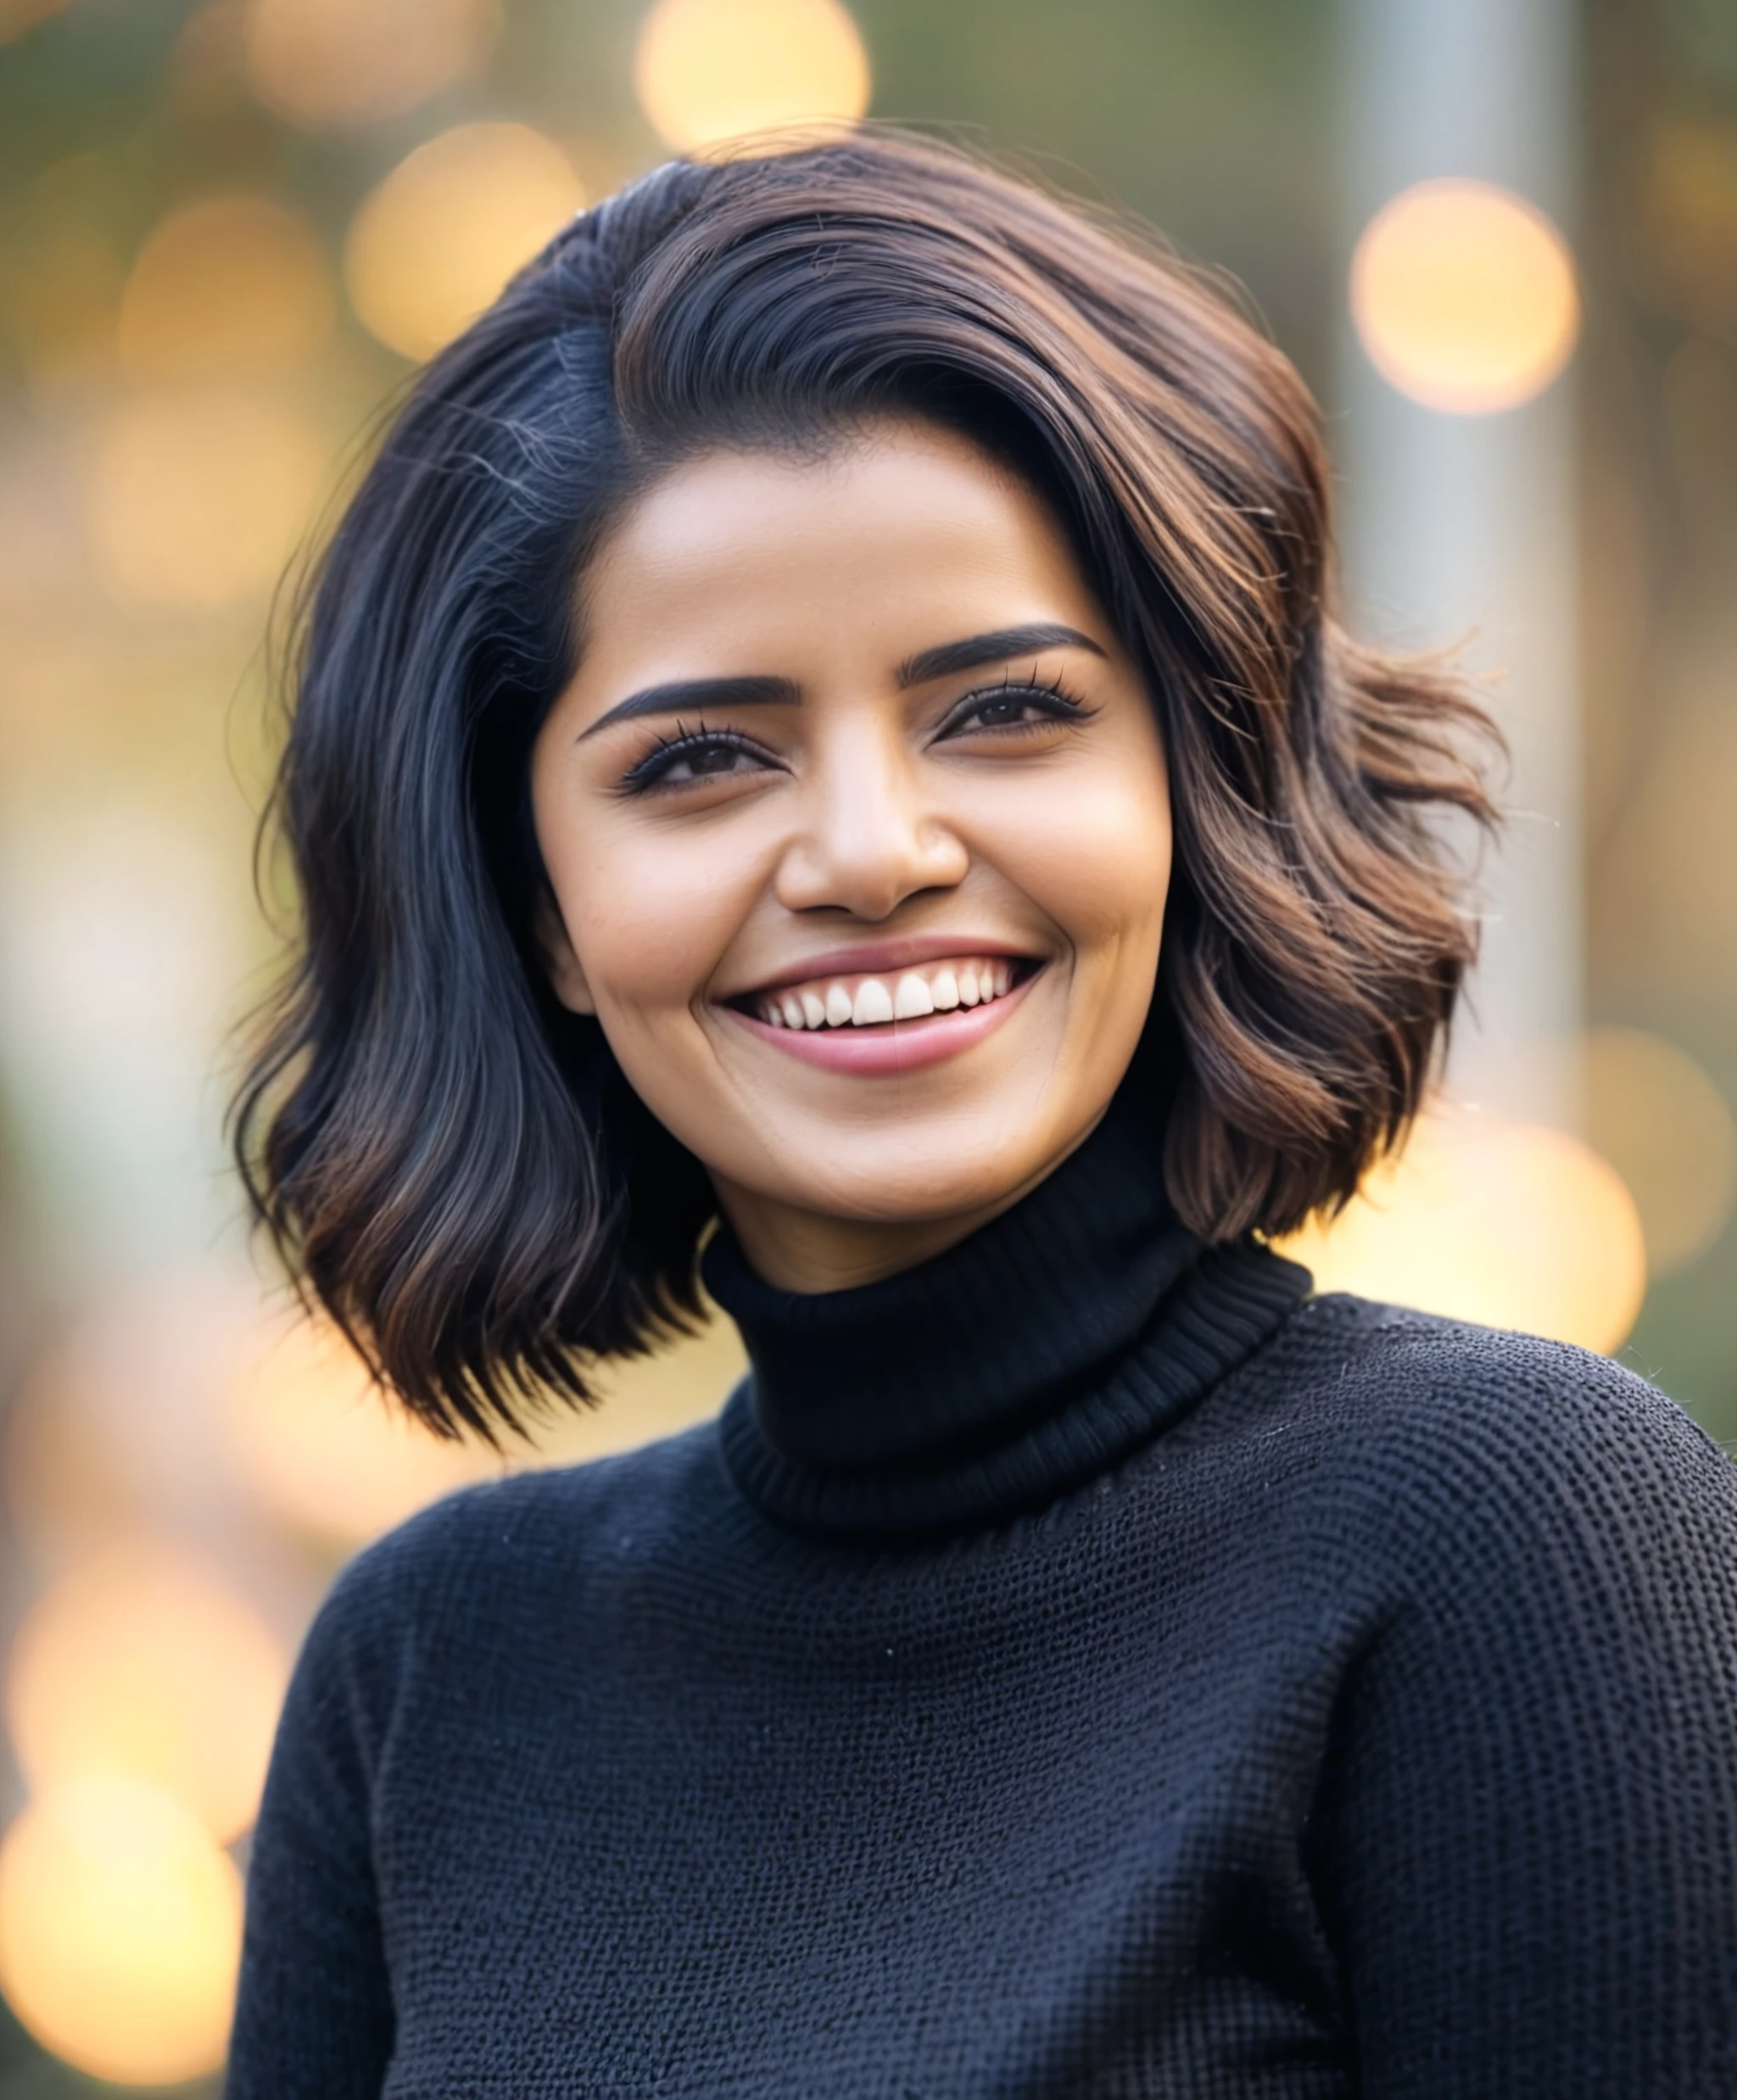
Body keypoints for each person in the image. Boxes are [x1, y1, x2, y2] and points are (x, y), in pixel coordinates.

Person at [226, 134, 1737, 2097]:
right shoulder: (427, 1670)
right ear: (544, 910)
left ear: (1192, 779)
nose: (872, 849)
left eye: (1006, 709)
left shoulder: (1511, 1535)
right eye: (700, 758)